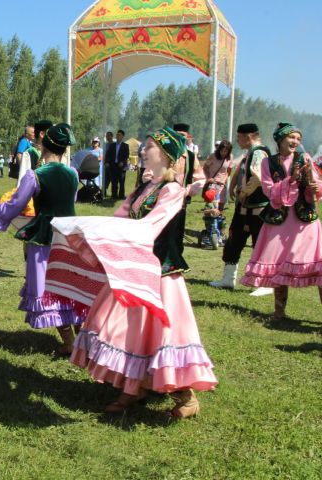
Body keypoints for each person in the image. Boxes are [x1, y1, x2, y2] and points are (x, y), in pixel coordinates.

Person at [70, 126, 217, 417]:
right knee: (129, 331)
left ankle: (185, 398)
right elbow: (121, 217)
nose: (144, 150)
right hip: (135, 268)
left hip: (159, 274)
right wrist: (91, 230)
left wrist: (119, 238)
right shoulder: (145, 187)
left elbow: (151, 227)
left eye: (149, 145)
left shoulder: (172, 190)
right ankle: (133, 388)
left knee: (160, 337)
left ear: (164, 154)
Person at [0, 123, 87, 355]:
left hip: (45, 237)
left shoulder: (36, 175)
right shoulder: (72, 173)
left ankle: (70, 343)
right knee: (70, 285)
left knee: (51, 287)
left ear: (43, 145)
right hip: (71, 236)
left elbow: (16, 203)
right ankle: (83, 342)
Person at [240, 123, 322, 321]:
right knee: (278, 265)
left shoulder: (305, 158)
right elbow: (269, 191)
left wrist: (314, 186)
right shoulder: (268, 163)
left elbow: (317, 185)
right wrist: (290, 180)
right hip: (279, 220)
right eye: (291, 137)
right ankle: (279, 313)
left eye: (298, 139)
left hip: (304, 220)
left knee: (319, 267)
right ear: (280, 139)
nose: (295, 142)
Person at [209, 124, 271, 291]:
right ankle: (228, 279)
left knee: (260, 244)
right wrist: (234, 188)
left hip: (258, 209)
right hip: (244, 209)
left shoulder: (259, 152)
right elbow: (242, 172)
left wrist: (244, 192)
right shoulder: (250, 153)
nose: (237, 140)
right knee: (234, 241)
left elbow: (258, 177)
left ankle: (264, 284)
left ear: (248, 137)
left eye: (239, 137)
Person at [17, 120, 53, 185]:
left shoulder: (53, 153)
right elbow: (23, 183)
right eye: (51, 133)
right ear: (42, 134)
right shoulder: (29, 152)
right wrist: (22, 165)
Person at [104, 129, 129, 199]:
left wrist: (122, 162)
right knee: (114, 181)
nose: (117, 136)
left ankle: (121, 195)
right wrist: (106, 162)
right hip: (113, 166)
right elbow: (108, 154)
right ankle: (114, 195)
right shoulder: (112, 145)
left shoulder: (125, 146)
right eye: (117, 135)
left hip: (121, 166)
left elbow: (126, 155)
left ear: (122, 136)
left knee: (121, 181)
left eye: (119, 135)